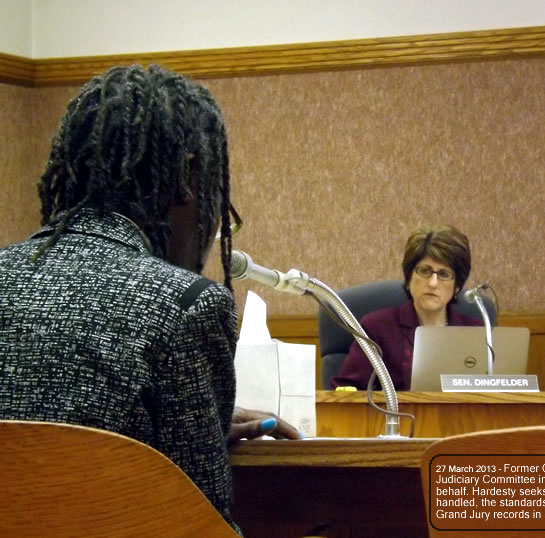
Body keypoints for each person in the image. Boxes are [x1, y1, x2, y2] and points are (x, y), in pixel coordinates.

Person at [0, 64, 298, 533]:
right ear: (186, 183)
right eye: (216, 206)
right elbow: (200, 524)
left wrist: (205, 426)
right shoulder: (184, 305)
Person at [331, 225, 481, 390]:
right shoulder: (377, 328)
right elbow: (344, 391)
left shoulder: (477, 332)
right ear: (409, 278)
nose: (432, 283)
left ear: (457, 286)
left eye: (444, 274)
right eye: (425, 271)